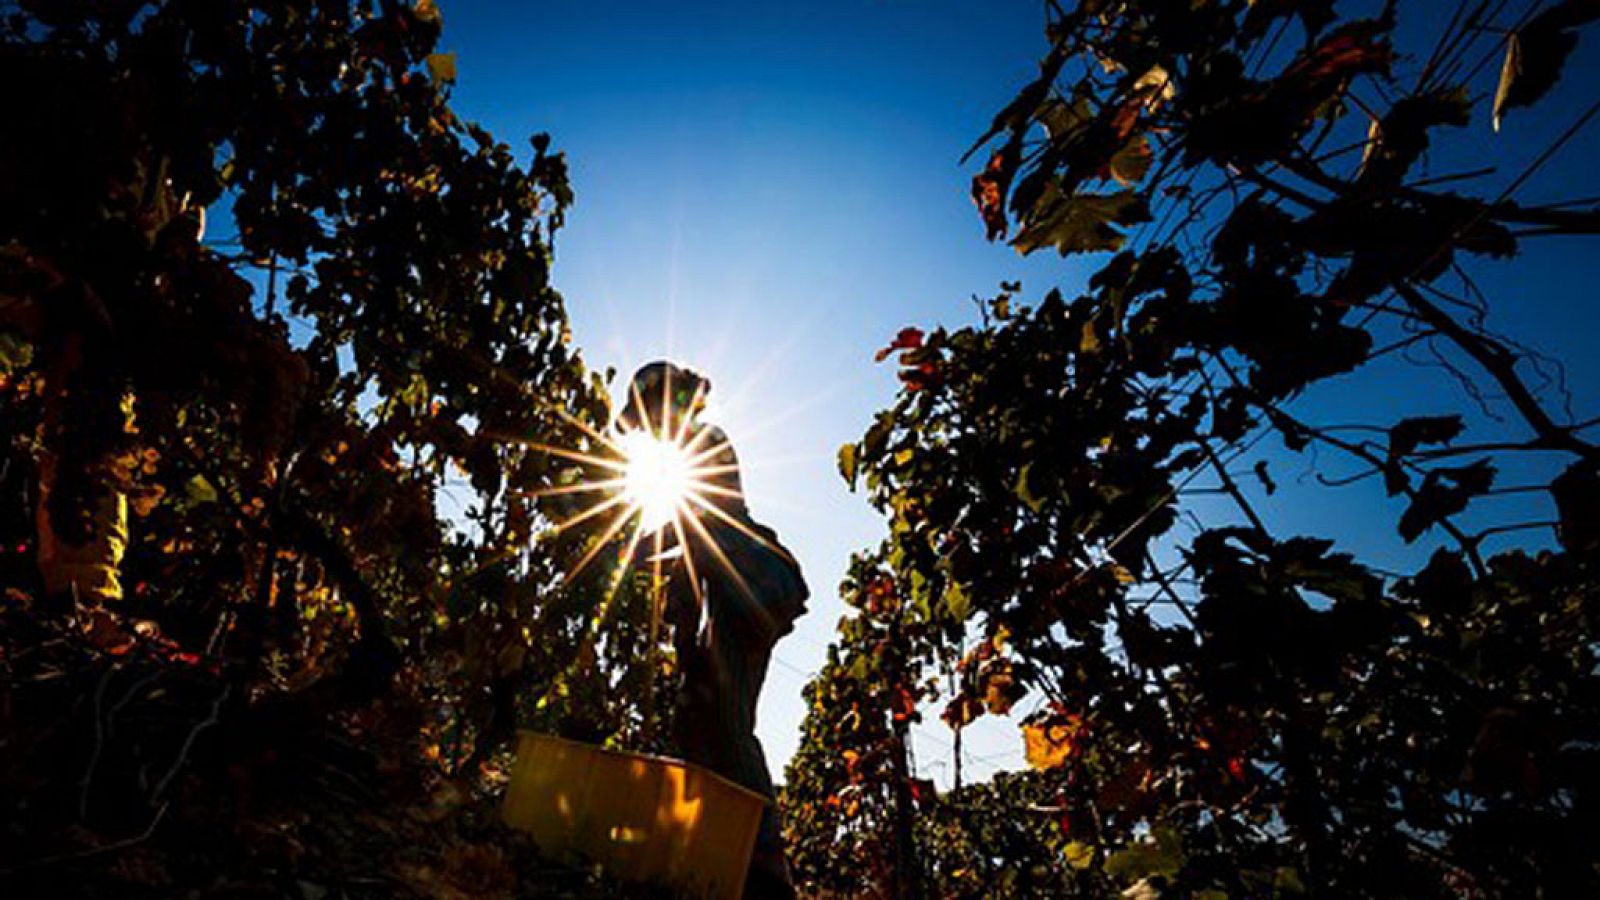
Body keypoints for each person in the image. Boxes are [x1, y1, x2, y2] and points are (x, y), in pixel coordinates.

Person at [616, 361, 807, 899]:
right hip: (731, 592)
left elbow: (698, 523)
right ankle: (717, 865)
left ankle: (767, 877)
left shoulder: (705, 442)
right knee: (699, 722)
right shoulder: (688, 449)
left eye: (645, 414)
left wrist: (630, 549)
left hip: (748, 590)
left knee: (726, 723)